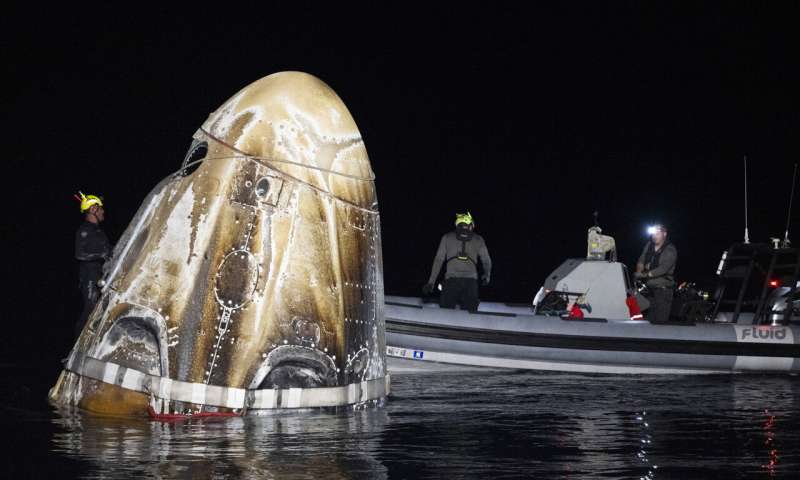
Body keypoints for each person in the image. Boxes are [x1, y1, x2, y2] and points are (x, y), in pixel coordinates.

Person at [423, 212, 492, 311]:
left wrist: (431, 282)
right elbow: (486, 261)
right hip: (470, 283)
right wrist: (487, 276)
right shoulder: (478, 239)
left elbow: (438, 260)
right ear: (470, 224)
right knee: (470, 315)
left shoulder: (447, 237)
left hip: (451, 281)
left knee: (445, 313)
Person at [74, 191, 112, 339]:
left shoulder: (99, 232)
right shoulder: (84, 230)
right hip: (89, 277)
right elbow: (80, 254)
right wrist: (101, 255)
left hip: (100, 275)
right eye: (100, 208)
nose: (103, 211)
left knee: (101, 309)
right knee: (90, 308)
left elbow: (109, 251)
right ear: (93, 210)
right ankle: (77, 344)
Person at [634, 224, 677, 324]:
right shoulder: (649, 245)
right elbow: (641, 259)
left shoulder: (670, 249)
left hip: (663, 291)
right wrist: (639, 271)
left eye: (658, 233)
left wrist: (645, 274)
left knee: (660, 322)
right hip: (649, 291)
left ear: (664, 234)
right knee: (647, 320)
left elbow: (663, 269)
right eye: (653, 233)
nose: (655, 236)